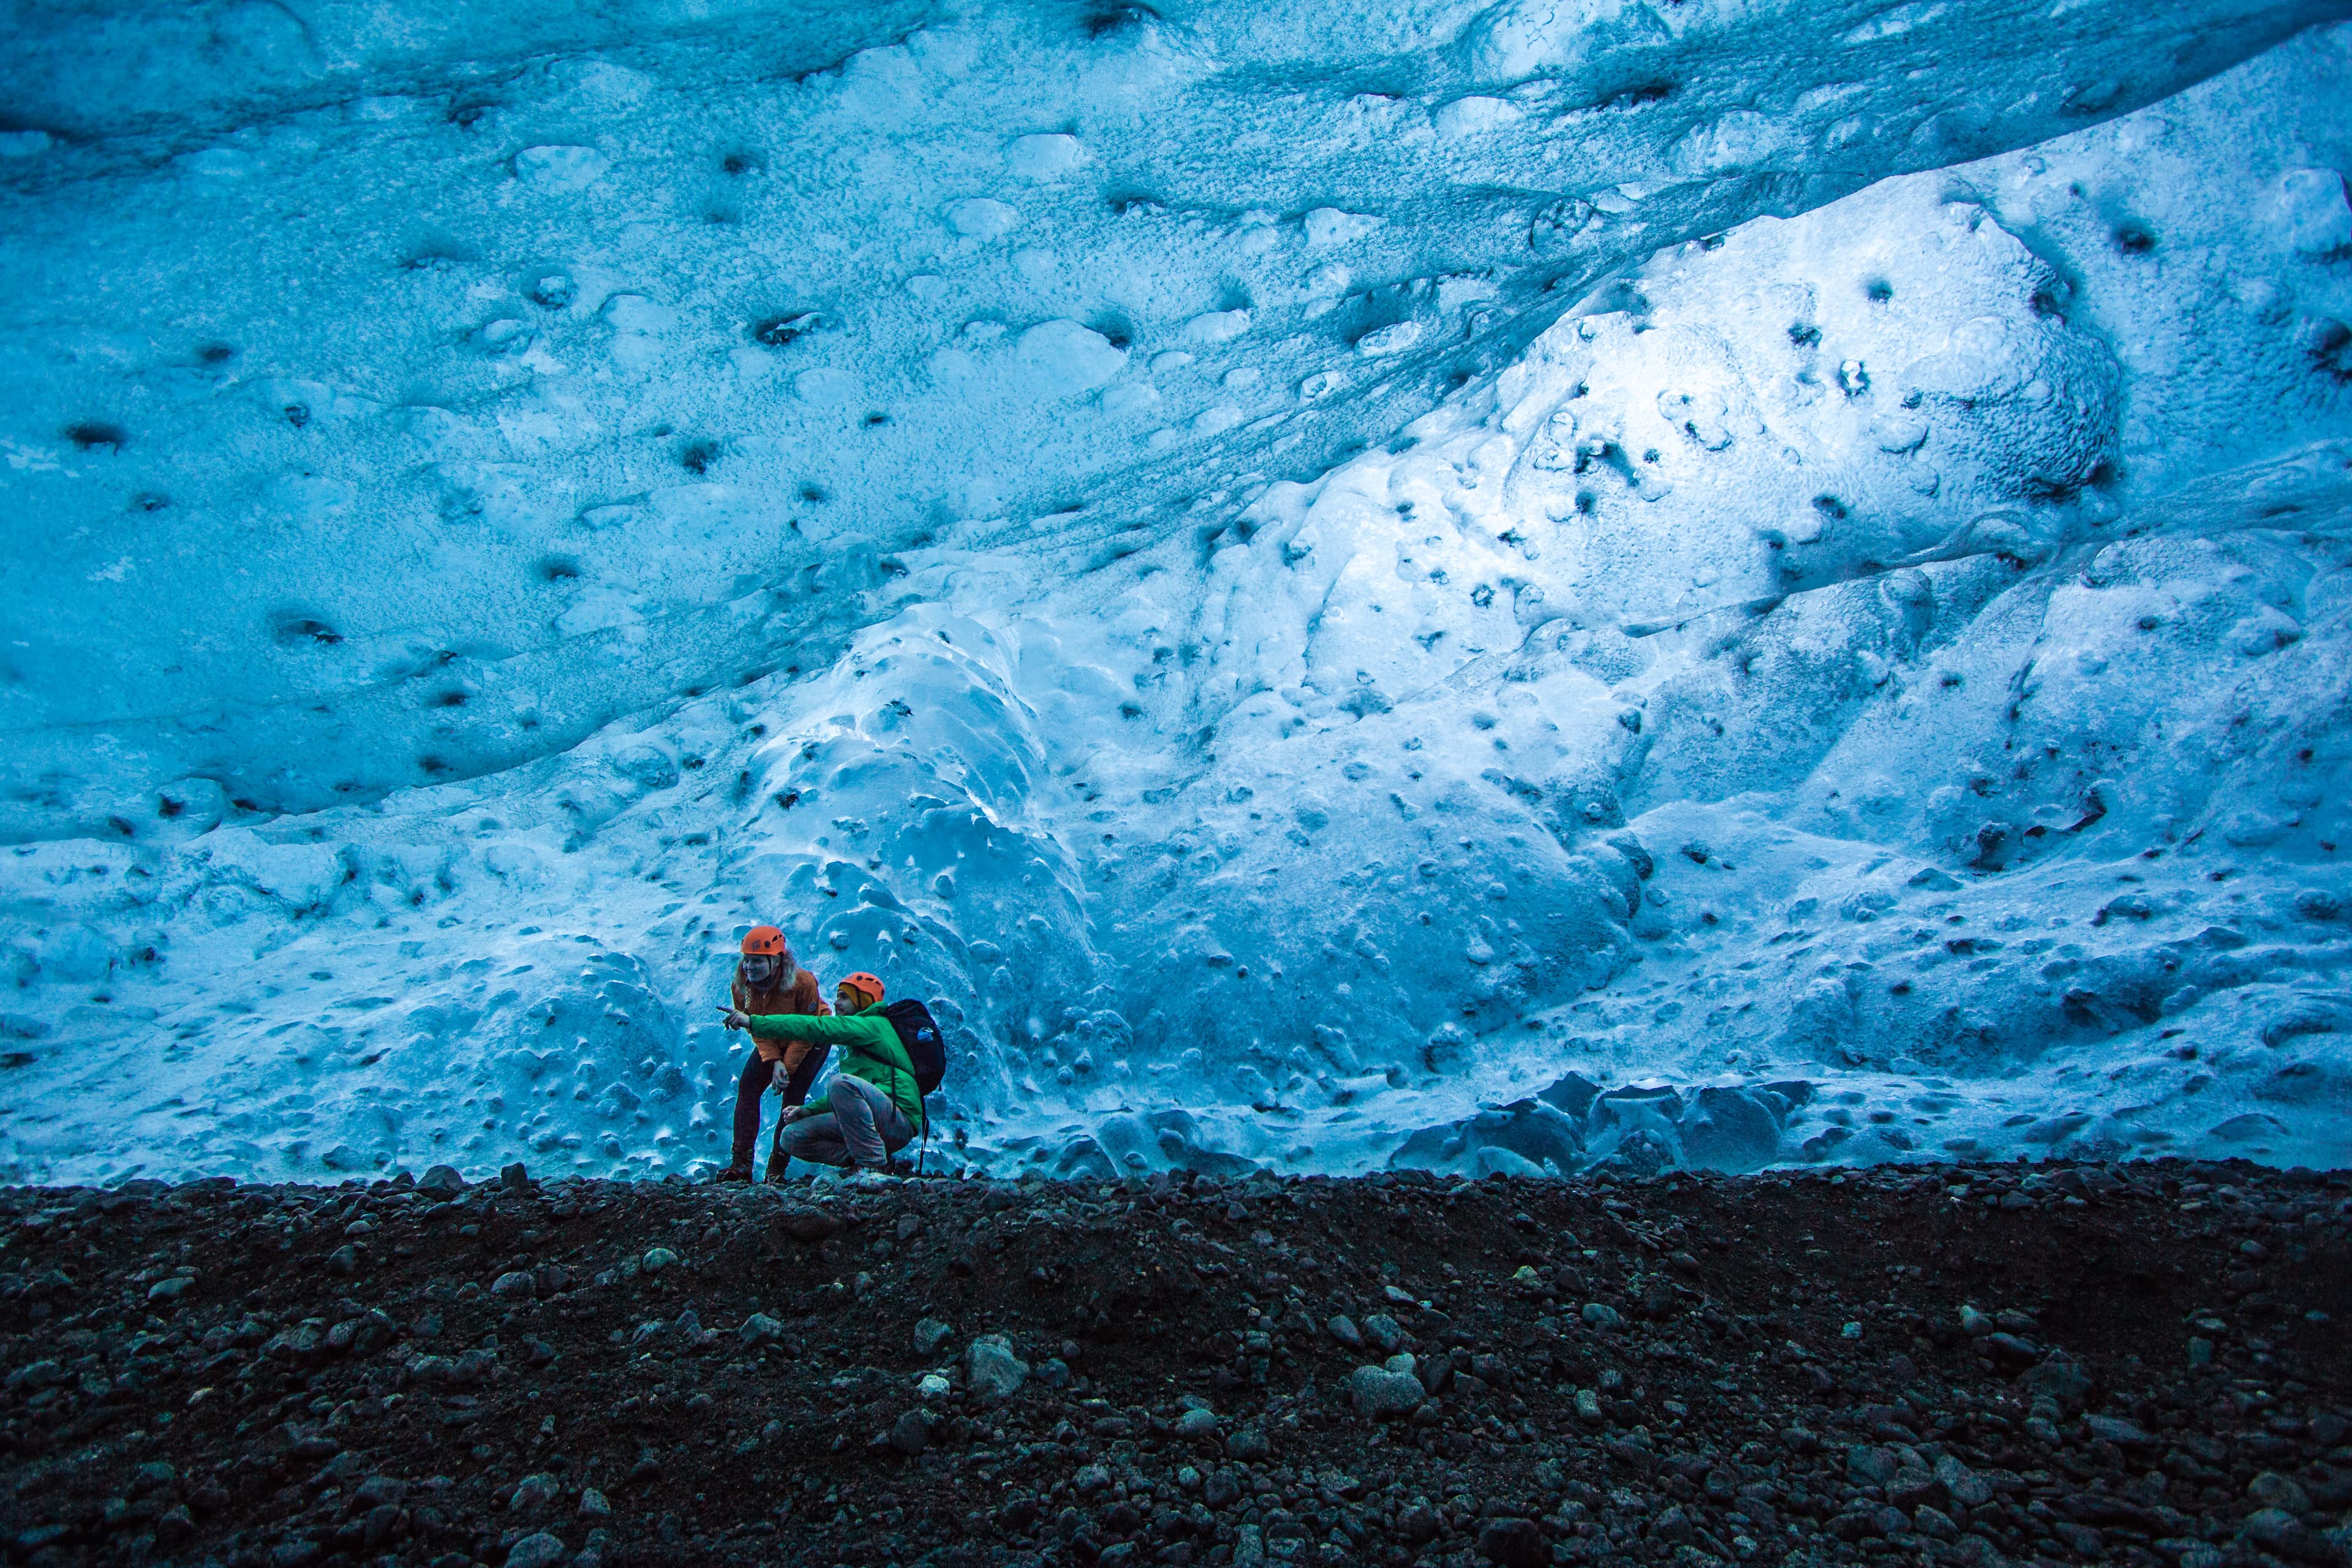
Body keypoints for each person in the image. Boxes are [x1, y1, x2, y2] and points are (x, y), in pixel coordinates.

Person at [723, 972, 921, 1181]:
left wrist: (755, 1022)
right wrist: (809, 1110)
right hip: (872, 1120)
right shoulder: (854, 1042)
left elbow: (815, 1026)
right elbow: (847, 1100)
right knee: (791, 1137)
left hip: (898, 1119)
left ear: (863, 1000)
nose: (836, 1002)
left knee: (840, 1083)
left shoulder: (872, 1026)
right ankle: (865, 1161)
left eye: (844, 997)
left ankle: (874, 1167)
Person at [715, 927, 829, 1183]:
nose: (749, 967)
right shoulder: (741, 986)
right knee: (748, 1088)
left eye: (756, 961)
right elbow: (755, 1027)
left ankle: (776, 1170)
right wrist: (774, 1061)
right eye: (746, 960)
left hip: (811, 1039)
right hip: (773, 1039)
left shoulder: (803, 983)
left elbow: (807, 1031)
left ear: (776, 960)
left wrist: (786, 1068)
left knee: (792, 1096)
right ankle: (741, 1165)